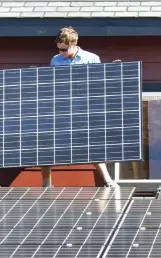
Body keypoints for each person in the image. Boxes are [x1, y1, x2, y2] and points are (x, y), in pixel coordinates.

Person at [43, 26, 118, 187]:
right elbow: (53, 85)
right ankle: (46, 183)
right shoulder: (55, 61)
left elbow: (99, 84)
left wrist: (113, 71)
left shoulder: (91, 59)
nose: (61, 52)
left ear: (73, 45)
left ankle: (108, 181)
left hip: (85, 109)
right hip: (63, 109)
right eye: (59, 49)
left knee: (90, 144)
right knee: (49, 143)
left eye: (63, 50)